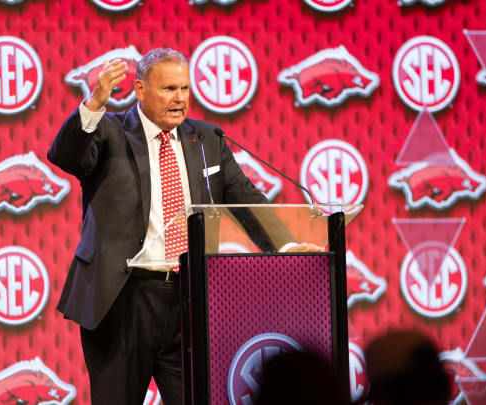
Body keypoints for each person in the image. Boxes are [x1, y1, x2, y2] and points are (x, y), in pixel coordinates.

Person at [48, 48, 312, 404]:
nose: (179, 99)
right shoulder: (109, 132)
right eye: (169, 89)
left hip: (188, 301)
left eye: (185, 89)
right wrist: (95, 104)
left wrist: (287, 247)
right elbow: (65, 156)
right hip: (121, 301)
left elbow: (246, 202)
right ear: (140, 90)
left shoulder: (207, 139)